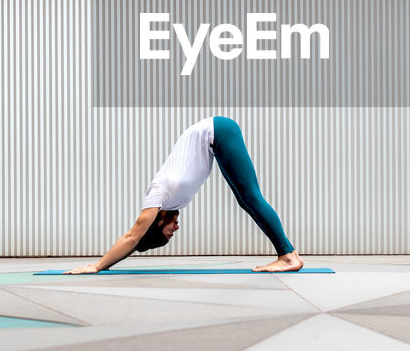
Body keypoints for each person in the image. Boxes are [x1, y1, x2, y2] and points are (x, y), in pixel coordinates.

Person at [67, 116, 302, 274]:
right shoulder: (173, 202)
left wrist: (97, 266)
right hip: (216, 138)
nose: (175, 230)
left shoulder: (159, 193)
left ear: (157, 223)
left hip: (217, 131)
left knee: (250, 197)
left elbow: (133, 237)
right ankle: (289, 254)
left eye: (168, 232)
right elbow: (136, 242)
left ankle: (288, 256)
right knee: (246, 199)